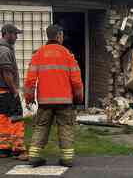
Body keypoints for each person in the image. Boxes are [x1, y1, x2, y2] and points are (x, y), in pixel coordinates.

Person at [24, 24, 83, 167]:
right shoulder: (67, 54)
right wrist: (78, 98)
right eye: (62, 35)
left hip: (44, 101)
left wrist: (29, 98)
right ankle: (67, 159)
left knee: (41, 127)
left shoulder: (38, 54)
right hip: (64, 101)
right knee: (66, 128)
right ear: (59, 36)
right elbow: (76, 81)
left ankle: (34, 156)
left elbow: (30, 80)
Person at [0, 24, 28, 161]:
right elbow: (6, 73)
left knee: (3, 120)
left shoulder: (3, 48)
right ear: (6, 33)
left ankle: (4, 149)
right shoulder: (5, 50)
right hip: (7, 90)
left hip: (1, 91)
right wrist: (15, 90)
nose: (16, 37)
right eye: (14, 34)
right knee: (16, 118)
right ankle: (18, 150)